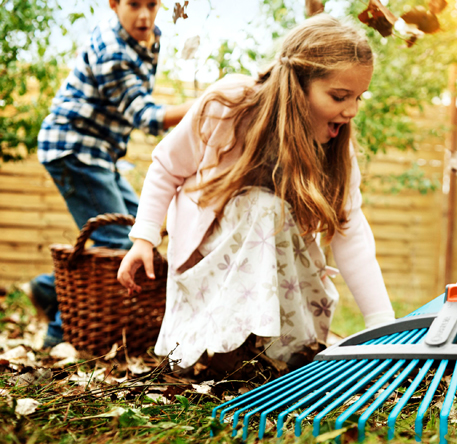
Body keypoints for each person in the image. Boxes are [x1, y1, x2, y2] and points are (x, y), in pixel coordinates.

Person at [117, 15, 396, 372]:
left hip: (279, 270)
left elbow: (350, 229)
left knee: (271, 212)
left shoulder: (334, 146)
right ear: (297, 84)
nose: (352, 110)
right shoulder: (231, 105)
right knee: (264, 206)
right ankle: (230, 353)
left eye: (358, 97)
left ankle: (273, 353)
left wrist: (381, 323)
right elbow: (167, 167)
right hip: (209, 262)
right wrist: (144, 238)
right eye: (339, 96)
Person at [32, 0, 193, 348]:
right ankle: (59, 334)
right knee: (117, 242)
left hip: (101, 154)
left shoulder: (151, 37)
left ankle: (48, 288)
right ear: (114, 4)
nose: (144, 15)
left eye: (152, 5)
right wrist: (207, 102)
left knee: (141, 229)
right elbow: (144, 115)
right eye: (134, 5)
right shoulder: (111, 47)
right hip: (73, 148)